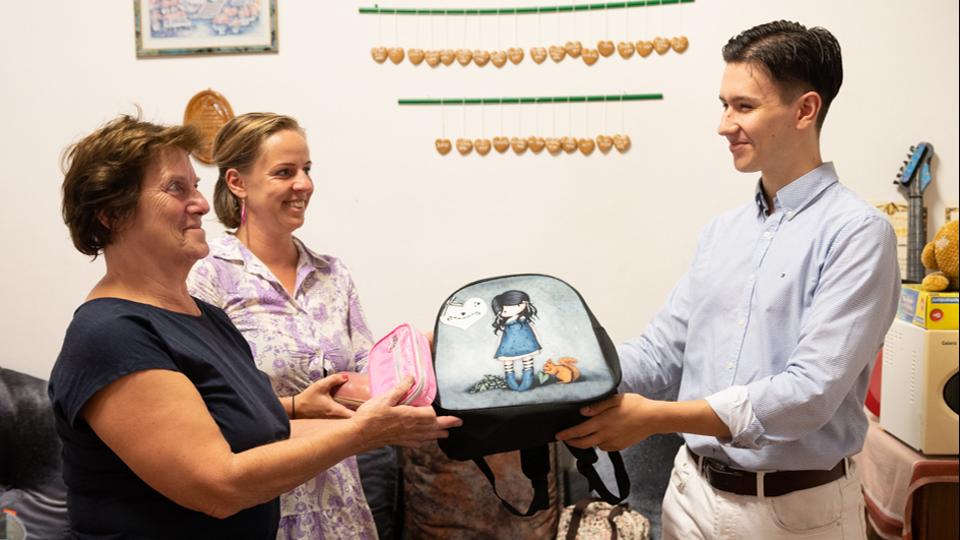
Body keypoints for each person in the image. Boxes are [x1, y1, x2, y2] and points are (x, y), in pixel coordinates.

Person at [557, 20, 900, 539]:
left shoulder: (858, 233)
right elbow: (660, 353)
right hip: (689, 496)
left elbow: (808, 393)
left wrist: (656, 417)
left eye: (743, 106)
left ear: (805, 110)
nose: (724, 125)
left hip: (795, 516)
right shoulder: (722, 232)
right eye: (724, 105)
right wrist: (565, 373)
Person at [49, 114, 460, 539]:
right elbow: (218, 486)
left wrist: (389, 407)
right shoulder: (109, 335)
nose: (202, 203)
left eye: (195, 186)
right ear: (111, 215)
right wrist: (360, 434)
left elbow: (263, 433)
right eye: (176, 188)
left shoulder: (207, 319)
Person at [186, 112, 391, 539]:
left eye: (307, 169)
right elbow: (202, 409)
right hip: (263, 509)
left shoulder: (333, 274)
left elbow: (368, 374)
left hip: (342, 509)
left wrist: (417, 352)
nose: (304, 184)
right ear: (237, 182)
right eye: (285, 172)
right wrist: (296, 405)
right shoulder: (208, 275)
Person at [490, 290, 542, 391]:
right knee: (508, 361)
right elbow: (501, 336)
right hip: (508, 345)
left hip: (526, 343)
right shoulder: (507, 324)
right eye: (504, 311)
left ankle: (528, 379)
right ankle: (510, 380)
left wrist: (537, 342)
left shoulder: (524, 320)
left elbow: (534, 331)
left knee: (527, 359)